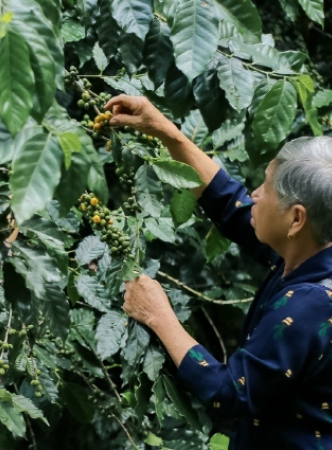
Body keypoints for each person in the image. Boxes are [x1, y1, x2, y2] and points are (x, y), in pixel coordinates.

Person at [106, 95, 332, 449]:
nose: (254, 194)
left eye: (266, 189)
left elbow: (230, 393)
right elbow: (231, 204)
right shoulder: (311, 246)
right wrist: (166, 132)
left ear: (297, 218)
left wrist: (158, 316)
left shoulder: (311, 305)